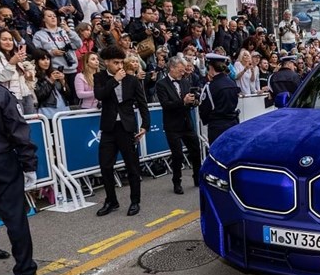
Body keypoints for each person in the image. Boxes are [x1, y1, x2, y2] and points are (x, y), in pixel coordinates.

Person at [0, 81, 38, 275]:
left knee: (15, 217)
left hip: (0, 158)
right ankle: (25, 271)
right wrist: (29, 164)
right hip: (1, 161)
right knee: (15, 217)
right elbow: (17, 129)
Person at [94, 45, 150, 217]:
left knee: (132, 166)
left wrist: (145, 126)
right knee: (105, 166)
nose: (119, 66)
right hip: (109, 128)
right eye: (115, 63)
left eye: (121, 62)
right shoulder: (100, 77)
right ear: (107, 63)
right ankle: (111, 201)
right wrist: (114, 80)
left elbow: (142, 104)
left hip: (127, 128)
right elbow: (100, 95)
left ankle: (135, 201)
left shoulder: (132, 80)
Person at [156, 57, 201, 194]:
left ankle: (197, 178)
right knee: (177, 155)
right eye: (180, 71)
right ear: (172, 68)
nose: (183, 73)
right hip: (173, 125)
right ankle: (177, 182)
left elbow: (189, 102)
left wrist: (194, 102)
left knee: (196, 151)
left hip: (187, 123)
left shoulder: (186, 82)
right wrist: (183, 101)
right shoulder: (161, 84)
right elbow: (166, 105)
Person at [0, 29, 36, 114]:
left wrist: (28, 75)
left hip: (25, 94)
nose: (8, 42)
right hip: (10, 96)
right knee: (18, 125)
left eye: (10, 39)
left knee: (32, 123)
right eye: (4, 39)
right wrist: (12, 63)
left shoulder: (14, 53)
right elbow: (2, 78)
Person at [199, 53, 240, 144]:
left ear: (211, 67)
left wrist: (206, 120)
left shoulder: (210, 86)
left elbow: (205, 109)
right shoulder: (232, 83)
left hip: (218, 127)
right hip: (233, 123)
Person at [33, 48, 70, 118]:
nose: (46, 62)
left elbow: (68, 96)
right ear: (36, 61)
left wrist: (63, 82)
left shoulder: (53, 73)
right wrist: (51, 81)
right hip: (47, 112)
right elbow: (40, 96)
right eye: (42, 59)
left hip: (63, 109)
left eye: (48, 59)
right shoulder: (34, 77)